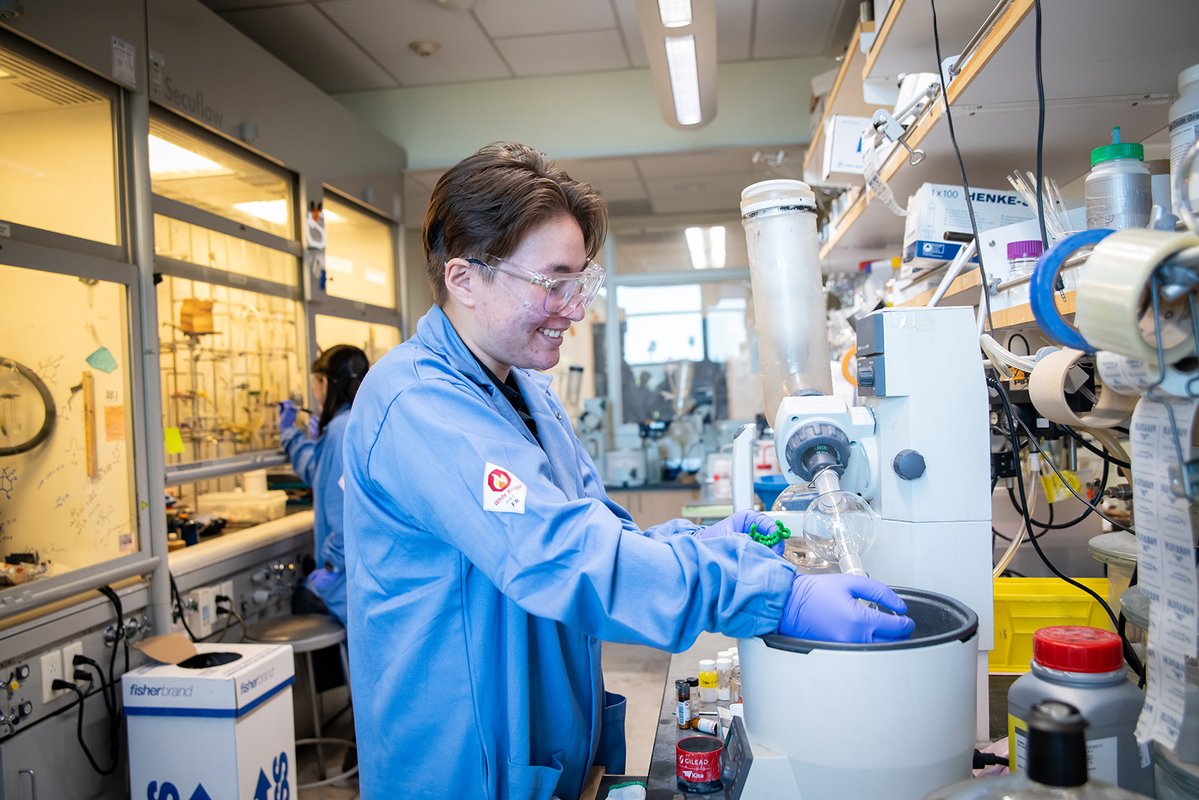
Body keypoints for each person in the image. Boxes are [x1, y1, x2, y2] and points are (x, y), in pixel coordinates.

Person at [341, 142, 914, 800]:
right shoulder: (418, 405)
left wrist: (700, 542)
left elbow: (597, 533)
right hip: (464, 769)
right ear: (464, 279)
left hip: (545, 750)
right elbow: (560, 556)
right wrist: (775, 596)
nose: (575, 309)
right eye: (552, 283)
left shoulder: (526, 394)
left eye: (579, 283)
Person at [279, 344, 369, 624]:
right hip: (361, 571)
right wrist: (297, 438)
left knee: (303, 604)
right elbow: (322, 474)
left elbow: (345, 511)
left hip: (343, 576)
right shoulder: (360, 418)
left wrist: (330, 566)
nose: (315, 393)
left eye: (315, 383)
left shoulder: (340, 429)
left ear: (327, 383)